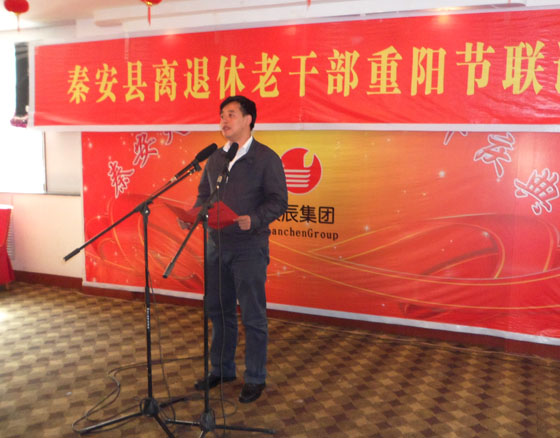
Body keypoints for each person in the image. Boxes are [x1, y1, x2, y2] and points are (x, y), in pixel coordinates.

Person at [191, 95, 288, 403]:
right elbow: (204, 194)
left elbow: (279, 201)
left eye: (231, 114)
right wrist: (194, 215)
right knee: (218, 311)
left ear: (248, 120)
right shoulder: (216, 158)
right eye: (222, 115)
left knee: (252, 315)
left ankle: (255, 377)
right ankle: (222, 369)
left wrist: (254, 219)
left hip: (249, 248)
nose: (224, 120)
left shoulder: (266, 158)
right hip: (217, 246)